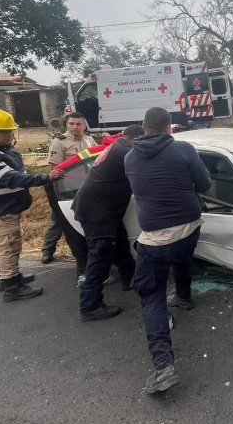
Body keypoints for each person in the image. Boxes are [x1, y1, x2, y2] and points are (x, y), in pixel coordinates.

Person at [125, 107, 212, 393]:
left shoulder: (129, 157)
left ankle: (164, 367)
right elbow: (205, 184)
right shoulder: (184, 149)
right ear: (169, 128)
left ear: (143, 126)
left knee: (152, 298)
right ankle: (185, 297)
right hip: (189, 226)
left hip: (155, 239)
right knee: (183, 259)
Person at [0, 109, 64, 300]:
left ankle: (7, 278)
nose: (10, 135)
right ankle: (12, 287)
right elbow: (11, 178)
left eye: (11, 131)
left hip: (3, 209)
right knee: (8, 246)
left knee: (1, 245)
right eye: (4, 132)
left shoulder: (1, 150)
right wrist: (45, 177)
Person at [74, 124, 144, 322]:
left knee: (120, 245)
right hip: (98, 212)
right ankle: (90, 306)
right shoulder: (124, 152)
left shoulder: (118, 146)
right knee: (100, 256)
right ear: (134, 139)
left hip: (103, 209)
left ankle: (129, 279)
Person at [41, 112, 96, 275]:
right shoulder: (59, 142)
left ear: (84, 125)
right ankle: (47, 250)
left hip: (86, 187)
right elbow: (54, 169)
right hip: (66, 189)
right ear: (67, 125)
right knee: (58, 220)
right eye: (71, 124)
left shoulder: (89, 140)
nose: (75, 127)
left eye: (78, 124)